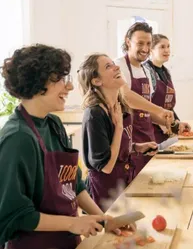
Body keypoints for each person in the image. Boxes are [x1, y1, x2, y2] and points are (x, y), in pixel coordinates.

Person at [0, 45, 131, 249]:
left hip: (67, 241)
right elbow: (15, 214)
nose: (69, 88)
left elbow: (74, 185)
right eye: (60, 79)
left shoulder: (53, 124)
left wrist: (104, 218)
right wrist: (73, 223)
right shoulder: (18, 138)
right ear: (37, 83)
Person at [78, 53, 158, 212]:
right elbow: (106, 166)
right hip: (104, 193)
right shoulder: (95, 114)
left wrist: (135, 147)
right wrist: (119, 126)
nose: (116, 67)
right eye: (108, 67)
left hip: (124, 182)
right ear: (97, 81)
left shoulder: (120, 104)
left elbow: (114, 144)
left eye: (113, 63)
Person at [115, 22, 168, 178]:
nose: (145, 48)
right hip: (130, 144)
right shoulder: (118, 66)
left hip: (148, 143)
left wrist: (169, 122)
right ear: (127, 41)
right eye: (140, 43)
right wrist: (160, 110)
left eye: (148, 44)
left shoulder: (147, 70)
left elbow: (144, 111)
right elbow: (127, 97)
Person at [143, 34, 191, 143]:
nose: (167, 50)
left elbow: (168, 107)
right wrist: (171, 124)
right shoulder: (146, 71)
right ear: (151, 50)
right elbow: (144, 107)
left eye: (168, 46)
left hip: (166, 130)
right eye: (162, 47)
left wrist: (178, 123)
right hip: (151, 132)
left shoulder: (166, 72)